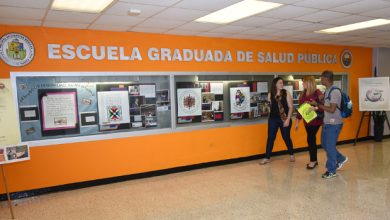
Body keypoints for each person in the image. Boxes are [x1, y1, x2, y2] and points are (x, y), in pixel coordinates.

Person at [316, 70, 348, 178]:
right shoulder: (327, 91)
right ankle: (341, 158)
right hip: (327, 123)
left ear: (326, 78)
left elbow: (332, 109)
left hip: (334, 124)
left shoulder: (334, 92)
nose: (320, 80)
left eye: (321, 78)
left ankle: (331, 171)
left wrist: (318, 105)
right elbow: (326, 107)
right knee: (325, 144)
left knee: (329, 146)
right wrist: (316, 104)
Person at [260, 77, 295, 164]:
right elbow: (270, 108)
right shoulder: (270, 94)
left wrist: (287, 120)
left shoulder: (286, 93)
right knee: (271, 137)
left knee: (286, 137)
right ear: (275, 84)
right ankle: (267, 157)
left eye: (282, 83)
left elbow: (291, 107)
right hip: (273, 119)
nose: (282, 84)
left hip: (284, 118)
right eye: (280, 83)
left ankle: (291, 154)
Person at [295, 76, 324, 169]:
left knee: (310, 139)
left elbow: (323, 106)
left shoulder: (317, 92)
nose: (302, 83)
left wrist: (315, 107)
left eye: (304, 82)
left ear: (309, 82)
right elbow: (301, 108)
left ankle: (313, 161)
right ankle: (314, 160)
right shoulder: (303, 94)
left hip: (316, 121)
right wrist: (297, 122)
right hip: (307, 121)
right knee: (311, 139)